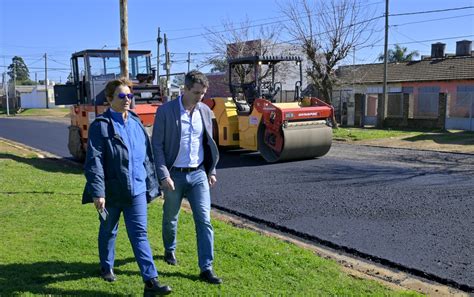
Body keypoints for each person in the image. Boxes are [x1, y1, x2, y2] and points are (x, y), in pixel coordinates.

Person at [82, 77, 172, 295]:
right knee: (108, 229)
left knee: (139, 234)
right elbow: (94, 161)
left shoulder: (135, 122)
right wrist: (98, 191)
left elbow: (146, 158)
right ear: (109, 99)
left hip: (137, 191)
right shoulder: (100, 126)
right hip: (111, 192)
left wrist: (154, 184)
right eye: (122, 96)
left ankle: (151, 282)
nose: (127, 99)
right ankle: (106, 266)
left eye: (129, 96)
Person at [151, 70, 221, 284]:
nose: (201, 97)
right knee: (171, 217)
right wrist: (164, 175)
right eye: (197, 93)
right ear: (185, 89)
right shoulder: (166, 111)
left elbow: (209, 144)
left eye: (204, 93)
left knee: (204, 220)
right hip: (174, 175)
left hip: (199, 174)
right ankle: (169, 249)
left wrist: (212, 171)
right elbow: (157, 146)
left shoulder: (205, 111)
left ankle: (206, 268)